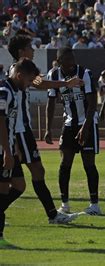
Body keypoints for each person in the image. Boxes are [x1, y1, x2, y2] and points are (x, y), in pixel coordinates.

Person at [7, 34, 81, 224]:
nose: (33, 50)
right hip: (19, 132)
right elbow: (42, 84)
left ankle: (52, 215)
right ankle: (53, 215)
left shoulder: (22, 70)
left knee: (22, 178)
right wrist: (65, 83)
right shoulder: (18, 71)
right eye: (30, 47)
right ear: (21, 51)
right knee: (32, 174)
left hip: (23, 131)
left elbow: (40, 83)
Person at [45, 48, 101, 215]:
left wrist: (86, 127)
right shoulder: (54, 75)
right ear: (60, 61)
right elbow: (51, 102)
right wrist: (48, 128)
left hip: (88, 122)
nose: (72, 63)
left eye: (73, 59)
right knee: (65, 163)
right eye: (68, 60)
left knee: (89, 163)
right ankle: (65, 204)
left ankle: (95, 204)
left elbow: (92, 104)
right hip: (69, 124)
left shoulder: (85, 73)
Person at [0, 58, 39, 244]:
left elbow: (10, 123)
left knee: (19, 185)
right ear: (19, 75)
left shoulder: (14, 91)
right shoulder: (5, 91)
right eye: (29, 81)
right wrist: (7, 151)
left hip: (8, 148)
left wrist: (14, 146)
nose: (30, 84)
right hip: (1, 151)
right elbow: (0, 122)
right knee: (3, 191)